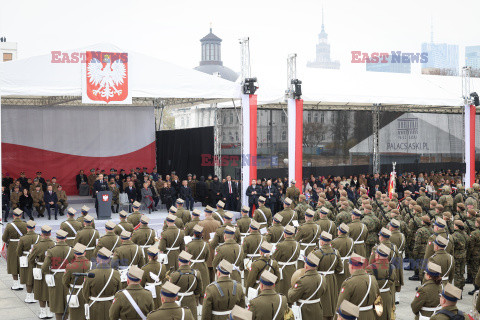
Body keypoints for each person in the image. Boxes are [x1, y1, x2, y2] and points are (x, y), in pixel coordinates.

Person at [335, 253, 381, 320]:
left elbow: (341, 305)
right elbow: (378, 301)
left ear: (352, 266)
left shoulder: (349, 283)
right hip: (371, 316)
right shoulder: (372, 279)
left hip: (355, 316)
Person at [41, 229, 74, 320]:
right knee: (67, 300)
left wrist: (48, 274)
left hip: (55, 278)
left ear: (57, 238)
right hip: (68, 277)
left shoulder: (51, 251)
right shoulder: (71, 250)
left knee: (57, 303)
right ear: (66, 238)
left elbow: (44, 267)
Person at [84, 248, 121, 320]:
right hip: (111, 305)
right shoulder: (116, 273)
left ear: (97, 259)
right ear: (109, 260)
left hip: (95, 305)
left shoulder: (90, 274)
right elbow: (119, 291)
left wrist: (91, 300)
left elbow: (86, 293)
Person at [288, 252, 327, 320]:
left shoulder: (302, 281)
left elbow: (291, 297)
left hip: (305, 312)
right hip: (318, 309)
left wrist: (292, 287)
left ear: (305, 266)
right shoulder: (322, 278)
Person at [313, 231, 343, 320]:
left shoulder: (317, 253)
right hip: (332, 277)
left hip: (321, 278)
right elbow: (340, 268)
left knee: (323, 299)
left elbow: (313, 269)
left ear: (321, 241)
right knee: (332, 298)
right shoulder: (336, 252)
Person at [29, 225, 55, 319]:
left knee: (40, 291)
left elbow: (30, 260)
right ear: (50, 234)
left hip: (40, 268)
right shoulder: (54, 244)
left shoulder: (37, 245)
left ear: (42, 234)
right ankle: (49, 311)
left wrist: (36, 262)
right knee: (50, 290)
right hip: (51, 269)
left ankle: (43, 312)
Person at [169, 251, 204, 320]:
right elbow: (199, 290)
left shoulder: (174, 275)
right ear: (189, 262)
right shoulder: (196, 273)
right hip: (191, 300)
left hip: (178, 301)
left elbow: (170, 292)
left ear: (179, 263)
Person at [366, 244, 396, 320]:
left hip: (376, 297)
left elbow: (369, 284)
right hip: (387, 296)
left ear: (378, 255)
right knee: (386, 315)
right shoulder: (392, 267)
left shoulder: (370, 268)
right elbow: (392, 282)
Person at [63, 243, 91, 320]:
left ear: (75, 254)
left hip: (75, 292)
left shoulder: (70, 266)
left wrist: (71, 287)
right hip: (88, 293)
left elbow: (65, 281)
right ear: (85, 253)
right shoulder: (91, 265)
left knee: (75, 315)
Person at [2, 208, 28, 291]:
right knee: (22, 264)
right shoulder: (25, 224)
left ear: (13, 216)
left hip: (12, 246)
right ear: (20, 215)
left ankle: (16, 284)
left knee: (13, 264)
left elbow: (4, 238)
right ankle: (21, 283)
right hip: (22, 245)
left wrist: (8, 241)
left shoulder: (9, 225)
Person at [16, 220, 40, 303]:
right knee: (35, 278)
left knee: (28, 278)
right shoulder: (39, 237)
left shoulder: (23, 238)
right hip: (36, 260)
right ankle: (34, 295)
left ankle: (29, 296)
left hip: (26, 259)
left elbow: (18, 252)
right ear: (34, 228)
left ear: (27, 228)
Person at [272, 225, 299, 296]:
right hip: (293, 268)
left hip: (283, 269)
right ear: (293, 234)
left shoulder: (280, 245)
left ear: (284, 234)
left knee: (283, 288)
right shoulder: (297, 244)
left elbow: (274, 258)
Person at [199, 205, 222, 282]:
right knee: (213, 266)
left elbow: (197, 235)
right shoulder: (218, 223)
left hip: (205, 246)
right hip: (215, 247)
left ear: (205, 213)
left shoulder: (201, 223)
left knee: (206, 267)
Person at [186, 224, 211, 292]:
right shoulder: (206, 245)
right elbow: (207, 257)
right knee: (204, 286)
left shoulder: (189, 245)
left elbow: (186, 257)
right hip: (203, 266)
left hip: (192, 266)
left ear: (194, 234)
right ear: (202, 234)